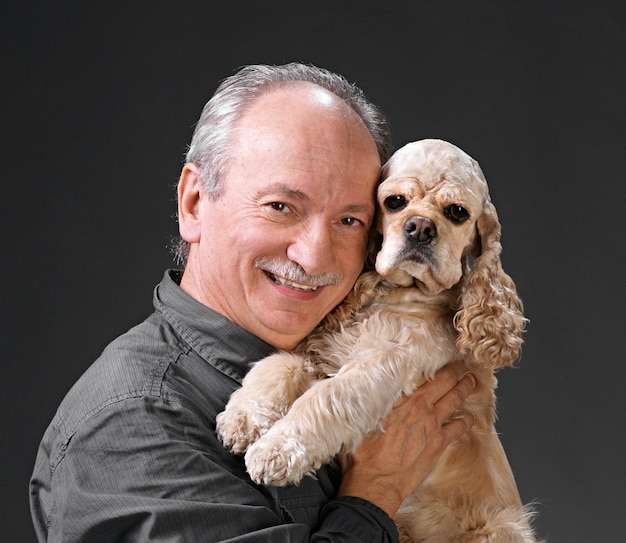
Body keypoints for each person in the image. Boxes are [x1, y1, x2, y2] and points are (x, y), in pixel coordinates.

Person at [30, 63, 476, 542]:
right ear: (194, 203)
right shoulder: (133, 426)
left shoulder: (347, 367)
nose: (312, 256)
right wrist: (374, 495)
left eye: (349, 220)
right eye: (281, 207)